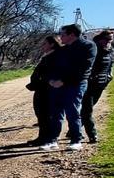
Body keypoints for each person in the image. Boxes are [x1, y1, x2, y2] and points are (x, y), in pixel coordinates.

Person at [41, 23, 97, 151]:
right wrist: (51, 80)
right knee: (55, 113)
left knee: (73, 112)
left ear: (72, 35)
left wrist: (64, 81)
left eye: (63, 34)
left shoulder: (88, 46)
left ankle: (76, 140)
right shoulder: (63, 49)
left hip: (75, 84)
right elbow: (50, 66)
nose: (60, 37)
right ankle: (52, 140)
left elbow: (84, 69)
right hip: (57, 84)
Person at [25, 35, 63, 146]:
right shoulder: (47, 55)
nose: (42, 46)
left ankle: (48, 138)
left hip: (47, 89)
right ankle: (42, 137)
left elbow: (50, 73)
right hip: (40, 88)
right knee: (41, 114)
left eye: (45, 43)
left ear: (52, 44)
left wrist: (46, 80)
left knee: (46, 114)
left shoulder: (55, 56)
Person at [81, 29, 114, 143]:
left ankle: (73, 130)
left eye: (111, 39)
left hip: (101, 84)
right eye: (106, 39)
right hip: (89, 85)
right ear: (100, 39)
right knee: (87, 110)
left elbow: (110, 66)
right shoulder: (93, 49)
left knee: (87, 109)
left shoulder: (111, 51)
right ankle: (92, 134)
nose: (108, 41)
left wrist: (109, 77)